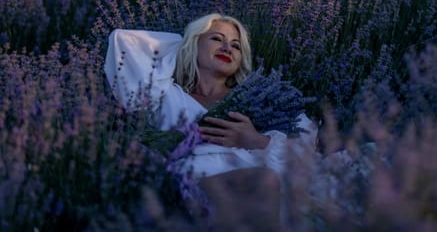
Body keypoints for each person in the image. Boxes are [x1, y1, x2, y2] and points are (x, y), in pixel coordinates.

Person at [104, 13, 318, 230]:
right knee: (264, 182)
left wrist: (257, 140)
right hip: (196, 179)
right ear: (193, 45)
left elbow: (306, 147)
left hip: (257, 173)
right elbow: (124, 41)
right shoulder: (165, 93)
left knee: (271, 183)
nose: (227, 48)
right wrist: (182, 45)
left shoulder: (259, 99)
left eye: (236, 46)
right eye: (216, 39)